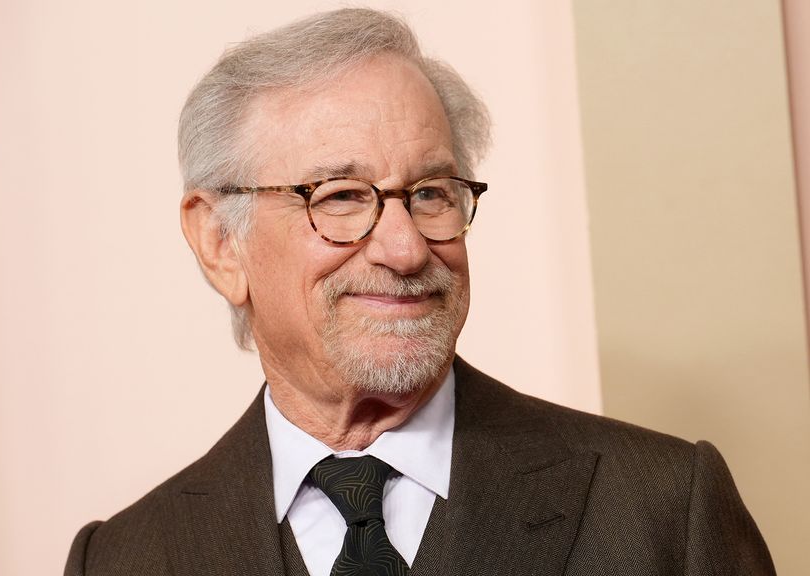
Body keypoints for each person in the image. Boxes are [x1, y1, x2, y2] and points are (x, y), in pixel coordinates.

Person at [64, 8, 775, 576]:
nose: (405, 249)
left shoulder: (663, 509)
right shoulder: (123, 559)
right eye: (340, 196)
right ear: (220, 242)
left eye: (431, 193)